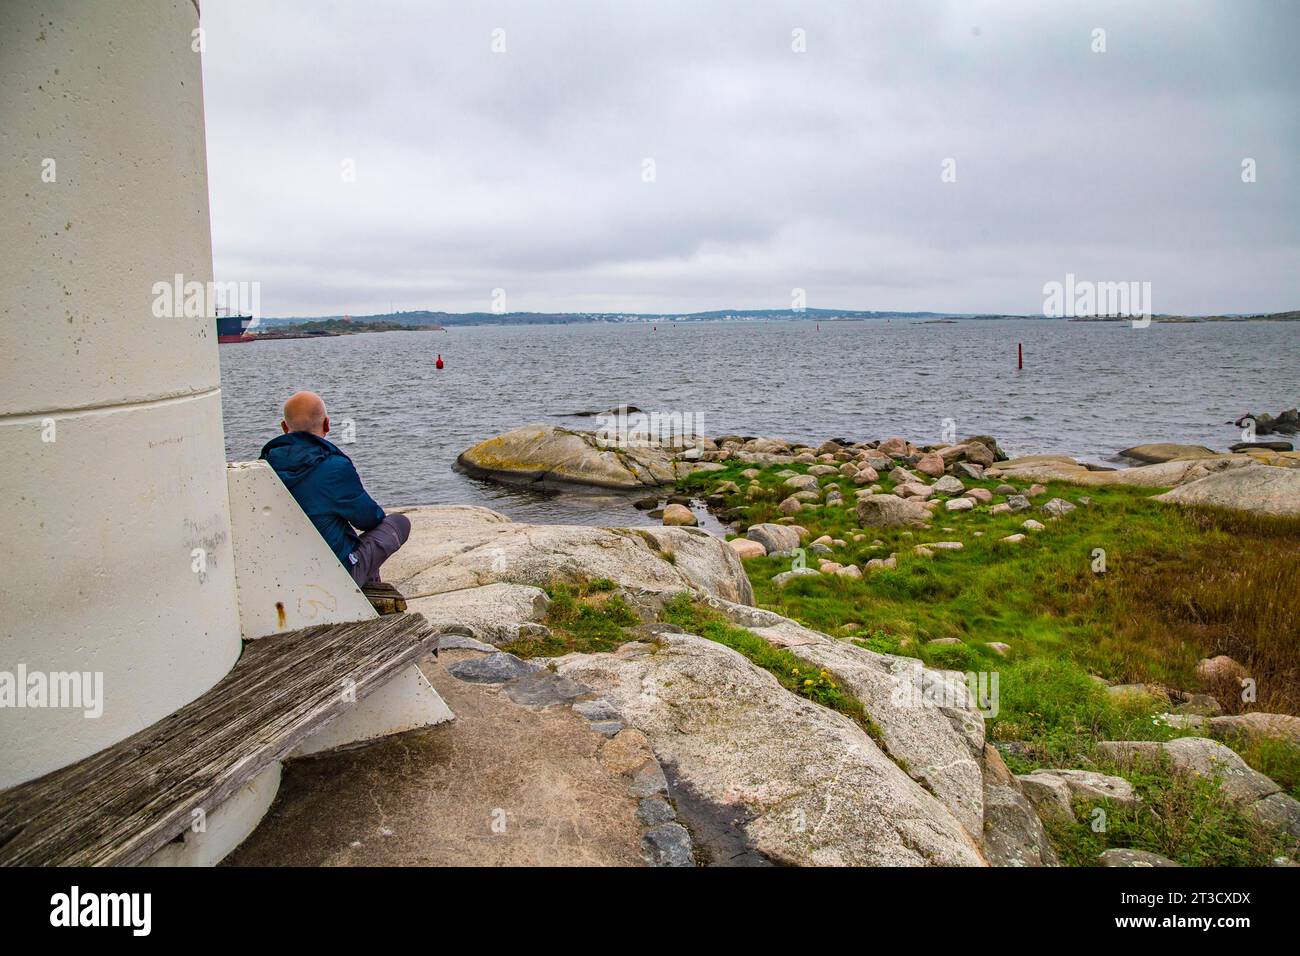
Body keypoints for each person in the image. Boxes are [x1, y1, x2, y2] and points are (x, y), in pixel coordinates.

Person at [260, 391, 410, 586]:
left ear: (284, 427)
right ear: (327, 424)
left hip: (284, 567)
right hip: (334, 575)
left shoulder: (263, 466)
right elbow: (369, 519)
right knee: (398, 523)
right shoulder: (334, 467)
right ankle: (365, 592)